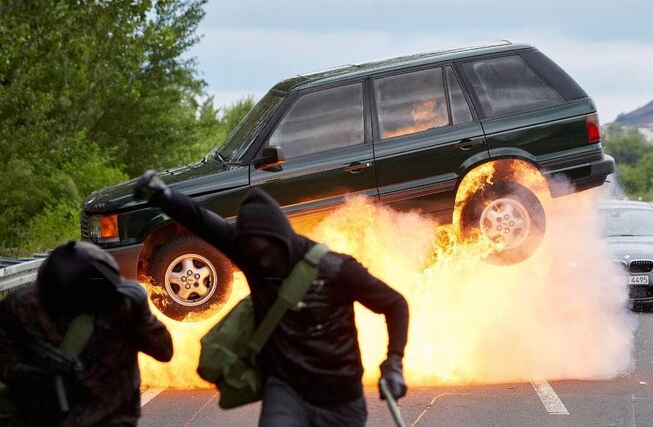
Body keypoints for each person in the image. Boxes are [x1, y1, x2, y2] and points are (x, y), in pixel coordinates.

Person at [134, 170, 409, 427]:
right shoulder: (251, 254)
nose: (262, 261)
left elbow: (394, 304)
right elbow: (202, 221)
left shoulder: (337, 269)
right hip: (286, 390)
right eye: (253, 253)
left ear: (281, 239)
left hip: (340, 396)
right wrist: (162, 195)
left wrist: (394, 361)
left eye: (266, 252)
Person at [0, 241, 173, 426]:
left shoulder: (122, 304)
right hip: (47, 416)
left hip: (113, 416)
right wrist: (37, 373)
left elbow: (164, 352)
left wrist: (143, 316)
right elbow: (4, 360)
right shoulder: (23, 306)